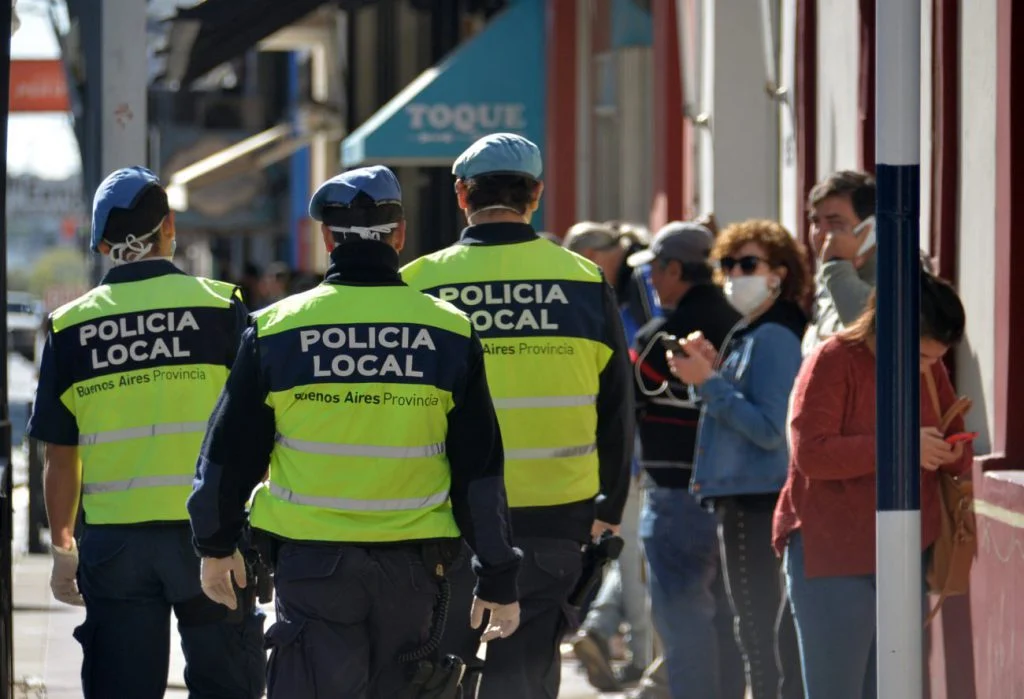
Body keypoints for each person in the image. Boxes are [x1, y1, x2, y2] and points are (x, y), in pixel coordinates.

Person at [186, 165, 523, 698]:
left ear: (327, 238)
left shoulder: (276, 329)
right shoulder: (450, 331)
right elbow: (479, 468)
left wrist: (214, 542)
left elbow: (230, 450)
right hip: (414, 569)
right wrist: (497, 574)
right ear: (400, 236)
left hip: (313, 564)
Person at [401, 133, 634, 699]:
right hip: (556, 510)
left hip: (443, 510)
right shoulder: (582, 280)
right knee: (524, 673)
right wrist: (611, 504)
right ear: (536, 195)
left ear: (462, 195)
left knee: (437, 668)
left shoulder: (419, 282)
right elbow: (618, 405)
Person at [27, 166, 265, 699]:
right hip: (211, 536)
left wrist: (64, 545)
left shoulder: (70, 328)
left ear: (103, 243)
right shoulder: (220, 307)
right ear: (169, 227)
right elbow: (256, 424)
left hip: (116, 546)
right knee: (227, 683)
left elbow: (59, 455)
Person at [772, 269, 971, 698]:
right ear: (890, 325)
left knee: (892, 690)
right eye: (921, 357)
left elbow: (950, 437)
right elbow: (812, 454)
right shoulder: (833, 360)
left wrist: (951, 451)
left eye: (937, 359)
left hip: (905, 550)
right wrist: (901, 448)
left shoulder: (927, 368)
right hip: (833, 551)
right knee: (836, 689)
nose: (930, 367)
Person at [668, 219, 809, 699]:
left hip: (757, 500)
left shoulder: (773, 337)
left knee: (759, 637)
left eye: (748, 264)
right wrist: (711, 373)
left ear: (780, 273)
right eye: (727, 264)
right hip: (746, 497)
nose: (734, 274)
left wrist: (708, 381)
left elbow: (772, 431)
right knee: (756, 632)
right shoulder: (755, 332)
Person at [626, 221, 745, 699]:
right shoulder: (742, 325)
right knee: (730, 618)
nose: (651, 278)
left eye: (655, 267)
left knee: (682, 618)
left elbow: (629, 406)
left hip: (676, 495)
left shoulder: (661, 337)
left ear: (676, 268)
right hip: (737, 494)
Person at [802, 170, 878, 354]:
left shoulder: (902, 274)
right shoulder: (829, 277)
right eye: (815, 222)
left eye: (835, 223)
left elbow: (874, 334)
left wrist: (836, 265)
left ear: (869, 228)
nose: (820, 234)